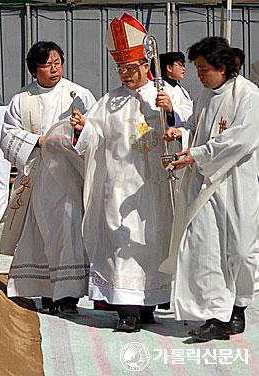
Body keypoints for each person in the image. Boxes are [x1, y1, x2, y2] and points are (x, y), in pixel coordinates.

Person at [73, 13, 188, 332]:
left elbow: (188, 126)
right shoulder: (110, 100)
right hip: (118, 186)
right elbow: (94, 135)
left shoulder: (165, 94)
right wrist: (84, 128)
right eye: (121, 68)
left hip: (152, 187)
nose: (125, 73)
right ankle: (127, 310)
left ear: (145, 64)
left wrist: (169, 112)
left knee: (152, 244)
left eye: (131, 67)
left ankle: (148, 303)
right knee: (120, 241)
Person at [163, 37, 259, 342]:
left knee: (242, 251)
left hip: (236, 183)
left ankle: (238, 306)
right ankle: (216, 314)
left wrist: (198, 154)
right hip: (206, 186)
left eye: (204, 69)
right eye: (197, 70)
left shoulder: (248, 95)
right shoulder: (205, 95)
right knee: (209, 249)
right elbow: (197, 126)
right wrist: (182, 134)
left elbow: (240, 140)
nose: (200, 76)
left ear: (222, 67)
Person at [0, 41, 96, 314]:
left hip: (69, 175)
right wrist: (38, 141)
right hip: (39, 176)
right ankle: (46, 292)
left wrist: (78, 133)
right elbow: (7, 135)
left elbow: (95, 131)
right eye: (46, 65)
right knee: (41, 233)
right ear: (34, 69)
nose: (54, 69)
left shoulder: (79, 94)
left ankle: (68, 296)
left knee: (69, 229)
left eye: (57, 63)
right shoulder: (22, 100)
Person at [159, 52, 193, 123]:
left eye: (184, 65)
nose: (183, 68)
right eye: (180, 65)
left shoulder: (181, 89)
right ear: (169, 68)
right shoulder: (162, 89)